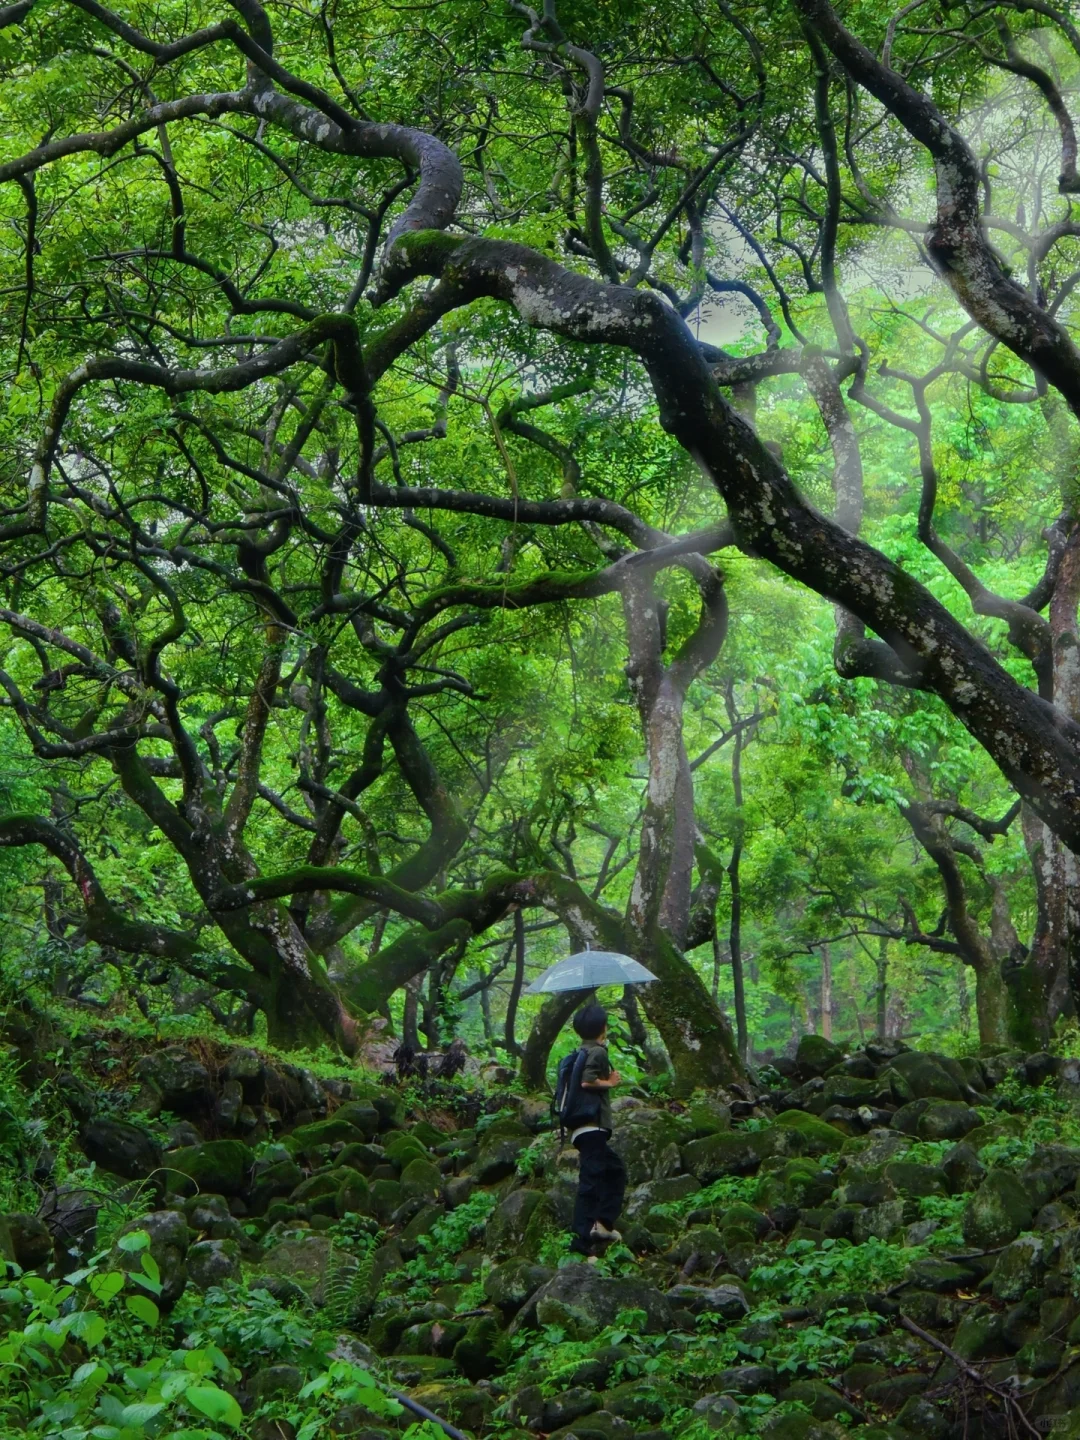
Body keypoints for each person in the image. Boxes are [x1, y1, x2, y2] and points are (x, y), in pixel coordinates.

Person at [568, 1002, 627, 1255]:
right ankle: (581, 1243)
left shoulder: (579, 1052)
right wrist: (611, 1082)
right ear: (603, 1028)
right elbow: (587, 1081)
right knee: (590, 1183)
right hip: (593, 1126)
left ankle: (603, 1224)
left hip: (581, 1128)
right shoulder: (598, 1053)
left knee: (615, 1171)